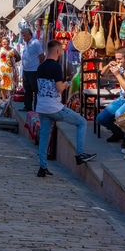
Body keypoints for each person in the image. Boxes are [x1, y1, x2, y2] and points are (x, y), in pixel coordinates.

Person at [36, 39, 95, 177]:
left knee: (44, 137)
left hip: (41, 106)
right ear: (57, 51)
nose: (62, 52)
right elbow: (59, 88)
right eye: (61, 50)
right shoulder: (56, 67)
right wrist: (67, 84)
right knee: (81, 122)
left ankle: (42, 167)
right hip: (54, 107)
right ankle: (80, 154)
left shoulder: (41, 66)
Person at [19, 28, 44, 112]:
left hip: (34, 70)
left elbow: (41, 56)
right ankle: (27, 106)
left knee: (35, 89)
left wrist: (38, 66)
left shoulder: (35, 43)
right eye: (22, 35)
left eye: (24, 35)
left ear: (29, 35)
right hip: (26, 70)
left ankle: (37, 108)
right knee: (27, 89)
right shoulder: (26, 44)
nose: (23, 37)